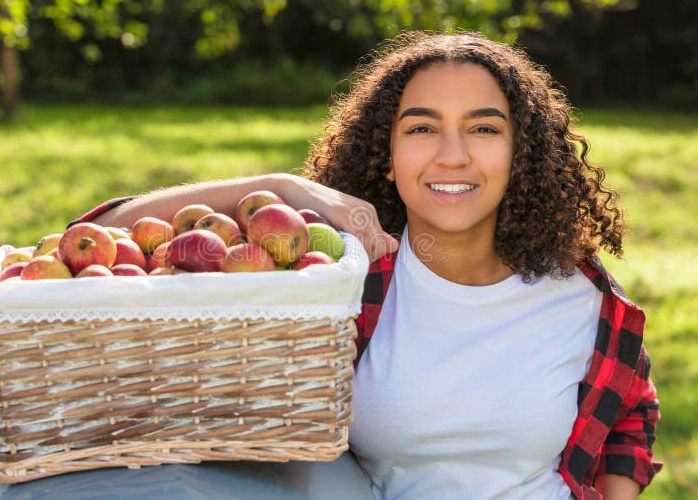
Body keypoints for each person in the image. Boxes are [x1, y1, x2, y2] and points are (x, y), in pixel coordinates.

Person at [73, 31, 661, 499]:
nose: (452, 155)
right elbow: (96, 231)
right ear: (386, 153)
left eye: (483, 128)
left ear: (522, 153)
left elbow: (630, 412)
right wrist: (279, 186)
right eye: (422, 128)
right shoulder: (345, 282)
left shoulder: (580, 294)